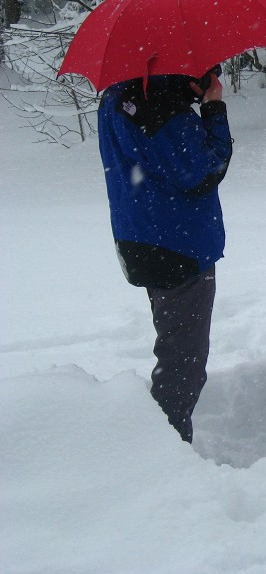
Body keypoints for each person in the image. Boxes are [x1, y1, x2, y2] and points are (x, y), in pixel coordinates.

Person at [97, 68, 232, 443]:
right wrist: (214, 111)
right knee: (183, 362)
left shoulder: (119, 96)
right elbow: (203, 170)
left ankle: (161, 440)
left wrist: (179, 92)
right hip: (179, 246)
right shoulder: (155, 107)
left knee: (175, 348)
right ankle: (165, 453)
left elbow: (154, 155)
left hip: (143, 237)